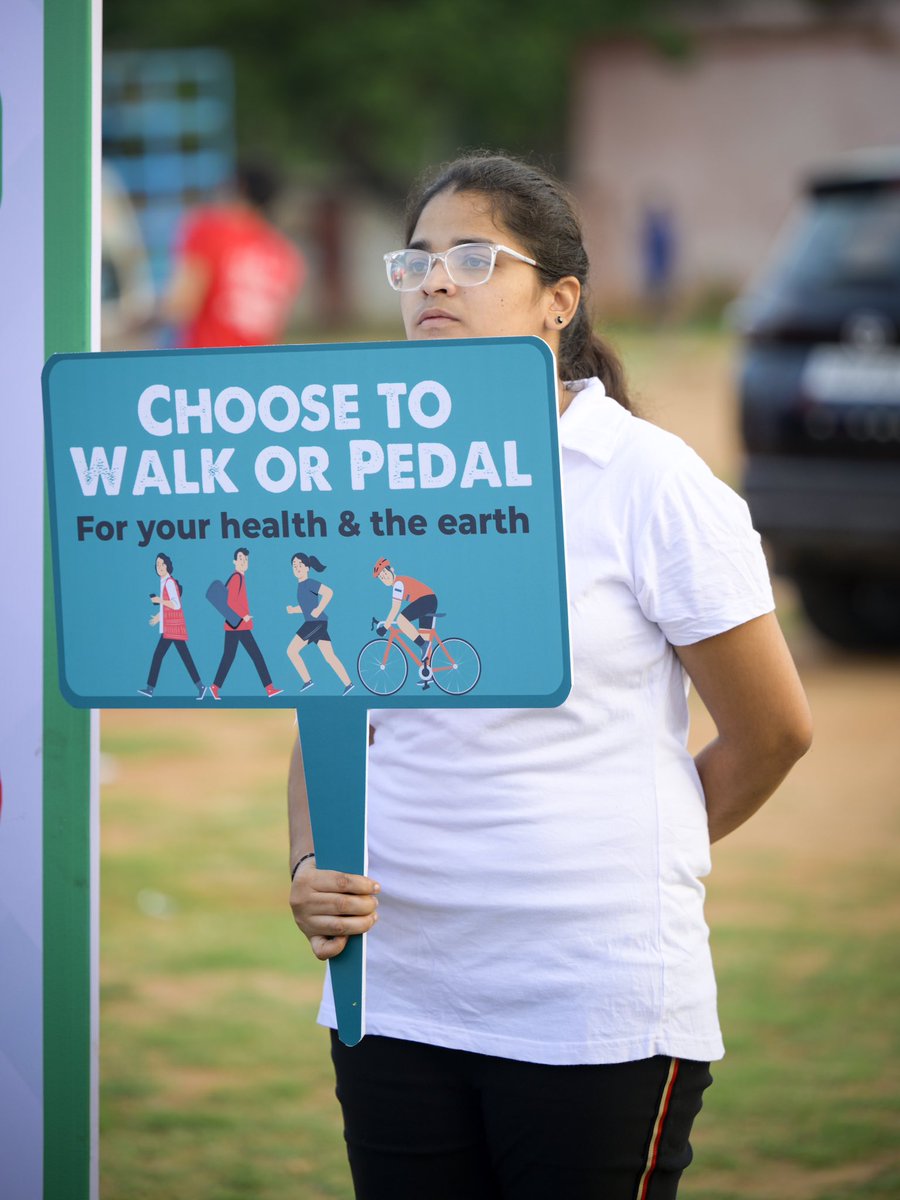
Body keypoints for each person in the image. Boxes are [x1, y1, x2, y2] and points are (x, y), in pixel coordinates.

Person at [287, 154, 812, 1200]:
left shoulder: (650, 483)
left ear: (558, 301)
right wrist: (310, 862)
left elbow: (773, 732)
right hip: (395, 997)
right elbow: (328, 712)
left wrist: (619, 862)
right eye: (418, 261)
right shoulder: (365, 471)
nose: (435, 281)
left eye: (474, 258)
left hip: (592, 1006)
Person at [162, 159, 304, 348]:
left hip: (206, 363)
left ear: (239, 187)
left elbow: (181, 305)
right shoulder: (284, 253)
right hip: (259, 366)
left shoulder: (209, 229)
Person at [209, 547, 283, 701]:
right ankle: (269, 688)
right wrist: (245, 615)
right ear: (234, 561)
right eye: (241, 559)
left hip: (232, 625)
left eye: (246, 559)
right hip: (239, 625)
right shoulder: (237, 578)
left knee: (229, 657)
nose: (244, 562)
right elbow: (231, 601)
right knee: (256, 655)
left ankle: (215, 687)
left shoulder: (238, 577)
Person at [139, 553, 206, 699]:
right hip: (170, 627)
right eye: (157, 564)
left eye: (162, 564)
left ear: (168, 565)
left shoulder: (169, 582)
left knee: (160, 656)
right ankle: (200, 686)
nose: (160, 567)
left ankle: (150, 689)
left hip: (173, 627)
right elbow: (168, 606)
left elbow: (175, 604)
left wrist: (159, 600)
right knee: (183, 657)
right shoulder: (164, 581)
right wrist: (159, 617)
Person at [285, 552, 354, 696]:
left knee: (291, 651)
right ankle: (348, 684)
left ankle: (307, 680)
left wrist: (319, 609)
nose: (297, 568)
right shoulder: (300, 586)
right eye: (294, 565)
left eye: (300, 565)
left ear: (307, 568)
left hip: (314, 623)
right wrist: (293, 610)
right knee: (330, 656)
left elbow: (329, 592)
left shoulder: (310, 583)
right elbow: (306, 607)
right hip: (318, 623)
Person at [372, 557, 437, 663]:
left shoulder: (398, 584)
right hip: (429, 600)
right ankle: (427, 675)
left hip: (426, 600)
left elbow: (395, 608)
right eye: (381, 577)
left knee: (401, 620)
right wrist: (385, 624)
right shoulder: (398, 583)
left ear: (392, 570)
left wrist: (385, 627)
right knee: (425, 643)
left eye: (385, 573)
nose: (385, 578)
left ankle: (423, 645)